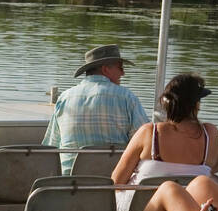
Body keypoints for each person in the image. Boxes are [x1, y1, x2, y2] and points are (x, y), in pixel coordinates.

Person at [114, 73, 218, 211]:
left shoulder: (149, 132)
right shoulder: (210, 134)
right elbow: (216, 166)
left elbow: (116, 181)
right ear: (195, 105)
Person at [43, 44, 149, 176]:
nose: (123, 73)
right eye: (120, 67)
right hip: (113, 183)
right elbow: (146, 143)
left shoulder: (64, 98)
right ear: (105, 69)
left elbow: (50, 146)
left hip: (69, 184)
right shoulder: (127, 97)